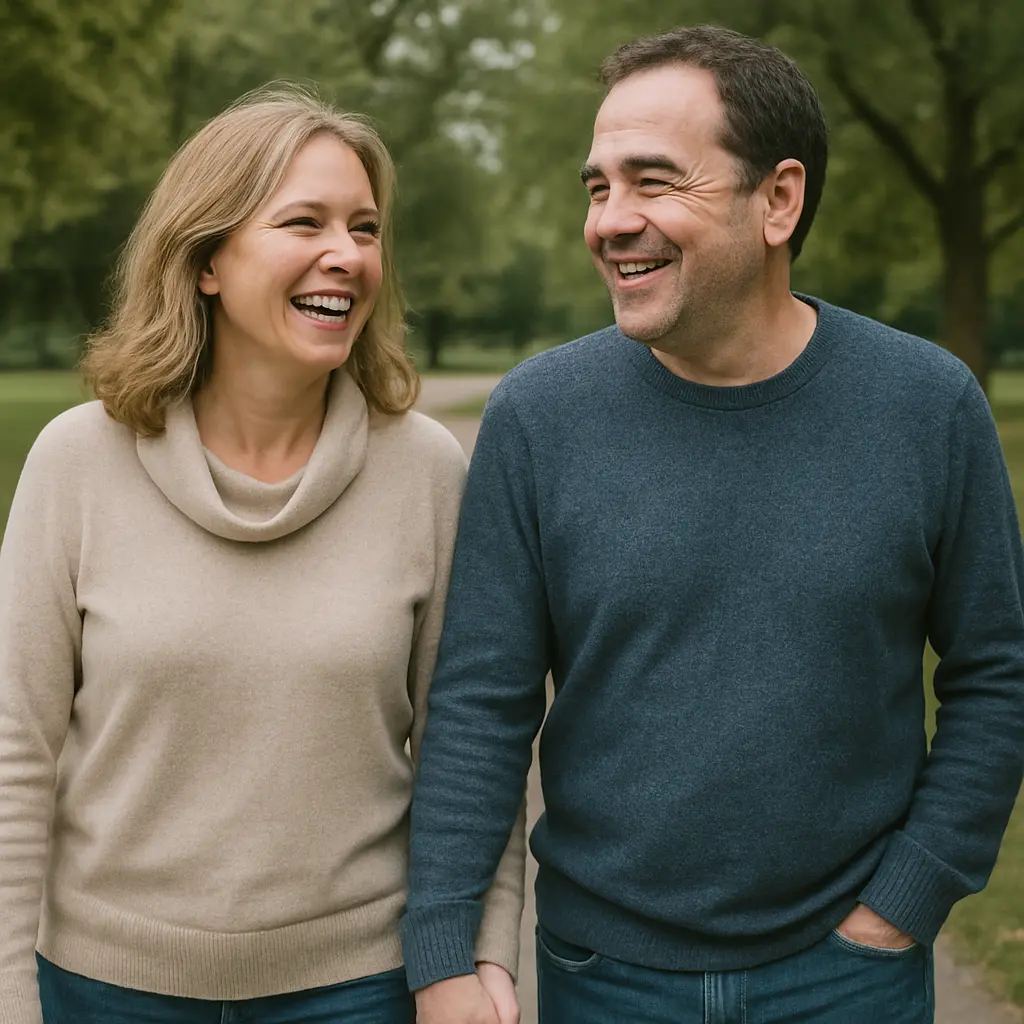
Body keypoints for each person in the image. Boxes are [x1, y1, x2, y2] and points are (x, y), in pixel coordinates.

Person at [402, 25, 1024, 1024]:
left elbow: (999, 671)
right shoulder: (539, 418)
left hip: (847, 976)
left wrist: (904, 902)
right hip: (604, 971)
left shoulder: (925, 408)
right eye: (597, 186)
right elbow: (480, 703)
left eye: (652, 181)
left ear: (777, 200)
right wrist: (441, 947)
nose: (610, 219)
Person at [0, 85, 524, 1024]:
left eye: (365, 228)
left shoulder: (425, 472)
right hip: (106, 989)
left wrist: (482, 961)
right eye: (305, 223)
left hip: (357, 989)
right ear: (206, 259)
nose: (348, 255)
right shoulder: (78, 462)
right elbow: (13, 755)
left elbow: (471, 744)